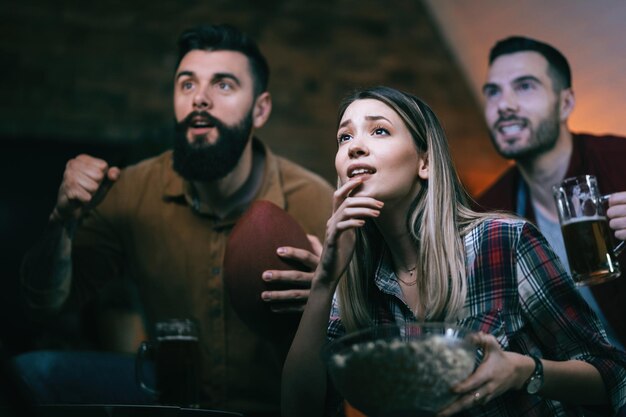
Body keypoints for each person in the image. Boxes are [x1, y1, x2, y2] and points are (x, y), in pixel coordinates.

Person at [16, 23, 334, 415]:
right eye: (186, 84)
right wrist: (62, 221)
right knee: (34, 372)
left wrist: (330, 298)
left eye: (223, 85)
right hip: (168, 395)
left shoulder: (316, 202)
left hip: (273, 405)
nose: (199, 98)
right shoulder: (133, 188)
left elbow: (365, 341)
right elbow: (44, 304)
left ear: (261, 109)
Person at [281, 86, 626, 417]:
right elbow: (301, 409)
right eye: (345, 137)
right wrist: (325, 281)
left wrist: (524, 370)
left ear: (425, 163)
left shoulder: (502, 241)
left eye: (379, 131)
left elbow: (612, 374)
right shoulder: (353, 285)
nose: (355, 147)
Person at [476, 36, 626, 349]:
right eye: (493, 92)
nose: (504, 105)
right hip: (585, 392)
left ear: (565, 103)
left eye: (525, 86)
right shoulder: (489, 211)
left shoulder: (619, 159)